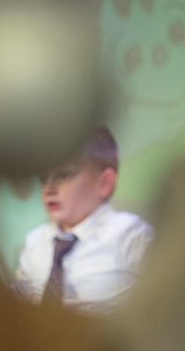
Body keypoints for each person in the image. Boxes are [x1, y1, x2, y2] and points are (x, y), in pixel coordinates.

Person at [13, 126, 153, 311]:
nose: (49, 188)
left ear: (104, 183)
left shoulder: (132, 234)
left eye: (63, 175)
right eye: (43, 178)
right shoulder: (35, 240)